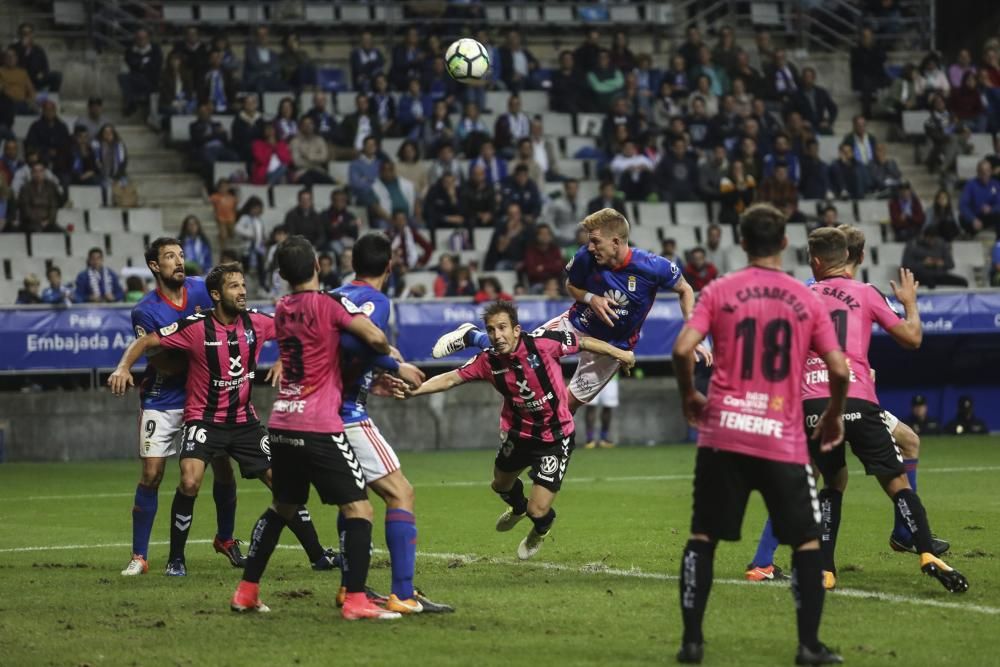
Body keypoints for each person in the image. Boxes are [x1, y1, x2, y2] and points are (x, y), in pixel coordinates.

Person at [670, 204, 851, 665]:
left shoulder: (719, 290)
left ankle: (692, 642)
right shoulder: (805, 297)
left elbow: (682, 348)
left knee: (702, 538)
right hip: (781, 438)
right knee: (807, 542)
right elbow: (838, 367)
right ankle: (808, 647)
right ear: (786, 243)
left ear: (742, 241)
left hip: (723, 433)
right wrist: (833, 415)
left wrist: (690, 394)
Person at [108, 261, 334, 578]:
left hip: (244, 422)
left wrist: (284, 360)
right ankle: (176, 559)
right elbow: (147, 341)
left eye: (243, 285)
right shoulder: (195, 326)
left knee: (283, 485)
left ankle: (318, 555)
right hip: (203, 420)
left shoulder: (256, 321)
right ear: (215, 294)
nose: (242, 291)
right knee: (189, 480)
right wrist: (122, 368)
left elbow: (295, 332)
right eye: (234, 286)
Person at [227, 237, 399, 619]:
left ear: (282, 276)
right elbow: (373, 336)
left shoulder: (283, 307)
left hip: (282, 420)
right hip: (319, 423)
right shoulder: (329, 305)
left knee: (283, 506)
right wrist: (391, 359)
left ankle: (246, 590)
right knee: (359, 510)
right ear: (318, 265)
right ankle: (355, 599)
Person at [401, 300, 635, 560]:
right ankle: (517, 507)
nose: (497, 335)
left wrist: (620, 353)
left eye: (502, 328)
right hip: (519, 434)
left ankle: (541, 528)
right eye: (491, 330)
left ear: (517, 330)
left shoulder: (544, 343)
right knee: (500, 484)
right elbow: (450, 378)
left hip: (555, 438)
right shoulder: (487, 361)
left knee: (539, 511)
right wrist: (414, 390)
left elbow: (585, 342)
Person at [436, 208, 711, 413]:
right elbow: (571, 285)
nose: (590, 247)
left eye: (596, 241)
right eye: (589, 241)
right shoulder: (584, 257)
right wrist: (591, 298)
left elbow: (685, 289)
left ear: (616, 241)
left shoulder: (653, 266)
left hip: (614, 345)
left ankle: (543, 455)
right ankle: (472, 336)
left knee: (565, 408)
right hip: (576, 325)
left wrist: (694, 331)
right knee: (518, 357)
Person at [330, 232, 452, 613]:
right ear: (390, 266)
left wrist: (370, 374)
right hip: (346, 414)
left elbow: (336, 351)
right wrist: (391, 363)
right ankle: (403, 593)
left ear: (352, 263)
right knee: (401, 492)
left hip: (314, 412)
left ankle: (352, 588)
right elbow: (353, 343)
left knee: (351, 500)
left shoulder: (333, 296)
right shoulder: (376, 300)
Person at [111, 238, 240, 576]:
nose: (178, 262)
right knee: (152, 474)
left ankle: (225, 538)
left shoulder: (202, 290)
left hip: (205, 397)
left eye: (181, 255)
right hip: (162, 398)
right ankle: (140, 555)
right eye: (170, 257)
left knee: (223, 467)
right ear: (155, 266)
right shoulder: (145, 310)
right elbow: (164, 363)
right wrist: (204, 354)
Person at [901, 225, 968, 288]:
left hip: (939, 275)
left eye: (934, 239)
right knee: (930, 282)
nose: (932, 242)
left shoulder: (941, 244)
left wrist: (942, 263)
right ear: (923, 236)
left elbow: (951, 264)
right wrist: (923, 263)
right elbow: (906, 266)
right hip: (919, 275)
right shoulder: (913, 245)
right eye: (929, 239)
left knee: (963, 282)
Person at [958, 159, 1000, 236]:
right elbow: (963, 205)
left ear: (991, 171)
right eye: (982, 171)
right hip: (973, 216)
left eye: (987, 170)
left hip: (988, 216)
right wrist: (972, 219)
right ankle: (970, 235)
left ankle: (998, 243)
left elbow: (999, 203)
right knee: (962, 217)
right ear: (978, 172)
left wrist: (991, 209)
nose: (985, 173)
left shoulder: (996, 185)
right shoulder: (970, 185)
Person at [583, 374, 619, 449]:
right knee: (590, 406)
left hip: (611, 376)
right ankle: (589, 439)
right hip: (591, 375)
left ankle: (604, 438)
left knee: (608, 406)